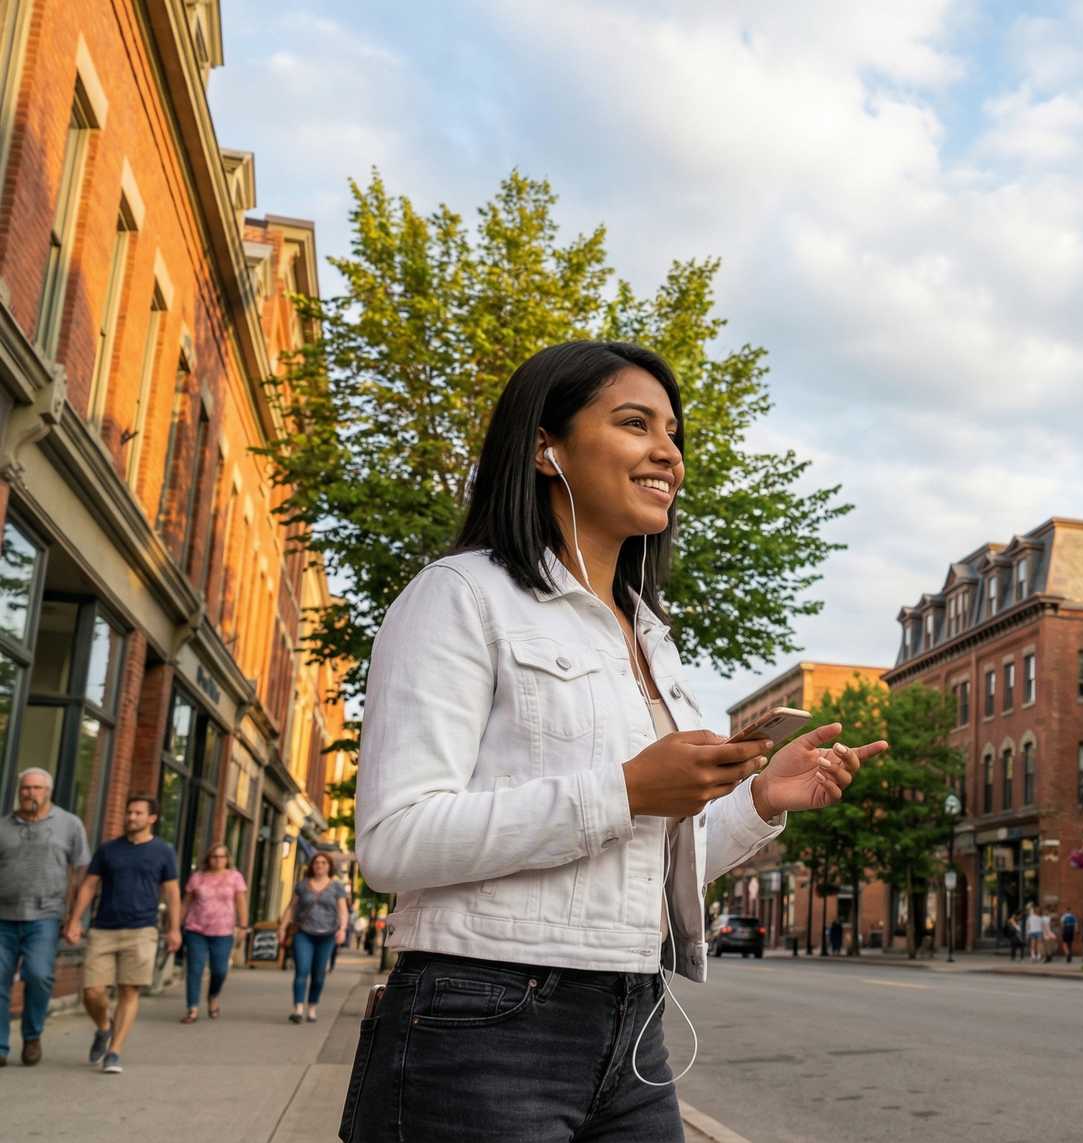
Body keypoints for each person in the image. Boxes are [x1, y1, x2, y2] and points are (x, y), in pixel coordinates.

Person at [345, 341, 882, 1142]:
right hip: (479, 1022)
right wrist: (626, 788)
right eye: (635, 424)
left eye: (674, 434)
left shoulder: (651, 639)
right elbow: (393, 841)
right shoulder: (460, 596)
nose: (668, 451)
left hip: (632, 1024)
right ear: (543, 446)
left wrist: (762, 798)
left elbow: (650, 846)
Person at [63, 796, 181, 1075]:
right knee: (92, 992)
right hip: (104, 928)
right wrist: (74, 920)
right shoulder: (108, 850)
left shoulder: (163, 851)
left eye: (138, 813)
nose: (131, 817)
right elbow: (90, 886)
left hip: (142, 930)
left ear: (152, 818)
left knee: (129, 990)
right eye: (129, 812)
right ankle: (104, 1028)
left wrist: (175, 928)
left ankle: (114, 1051)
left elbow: (173, 892)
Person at [0, 767, 91, 1067]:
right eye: (25, 788)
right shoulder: (4, 826)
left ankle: (32, 1035)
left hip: (46, 915)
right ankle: (0, 1046)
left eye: (36, 788)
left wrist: (75, 918)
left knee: (38, 975)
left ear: (47, 791)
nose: (30, 794)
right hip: (3, 915)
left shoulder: (69, 824)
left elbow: (81, 873)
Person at [279, 852, 350, 1024]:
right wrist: (282, 928)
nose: (319, 865)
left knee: (318, 975)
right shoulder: (302, 885)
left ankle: (311, 1007)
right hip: (303, 933)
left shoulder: (336, 887)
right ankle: (298, 1009)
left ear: (329, 866)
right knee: (301, 971)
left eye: (323, 863)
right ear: (312, 866)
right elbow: (291, 908)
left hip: (327, 935)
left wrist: (342, 929)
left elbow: (343, 910)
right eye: (316, 862)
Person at [180, 843, 248, 1023]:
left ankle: (213, 996)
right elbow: (186, 903)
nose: (217, 860)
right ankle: (192, 1008)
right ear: (208, 859)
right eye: (214, 857)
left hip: (223, 931)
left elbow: (241, 902)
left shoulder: (235, 877)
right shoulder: (197, 877)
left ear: (227, 859)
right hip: (196, 929)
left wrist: (243, 926)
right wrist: (176, 926)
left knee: (219, 970)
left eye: (221, 857)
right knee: (195, 969)